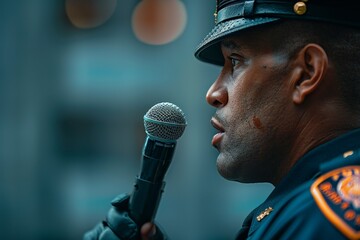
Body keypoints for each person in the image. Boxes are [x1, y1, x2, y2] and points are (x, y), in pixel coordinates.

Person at [84, 0, 360, 239]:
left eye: (235, 61)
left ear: (306, 73)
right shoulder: (312, 210)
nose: (213, 94)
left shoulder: (321, 218)